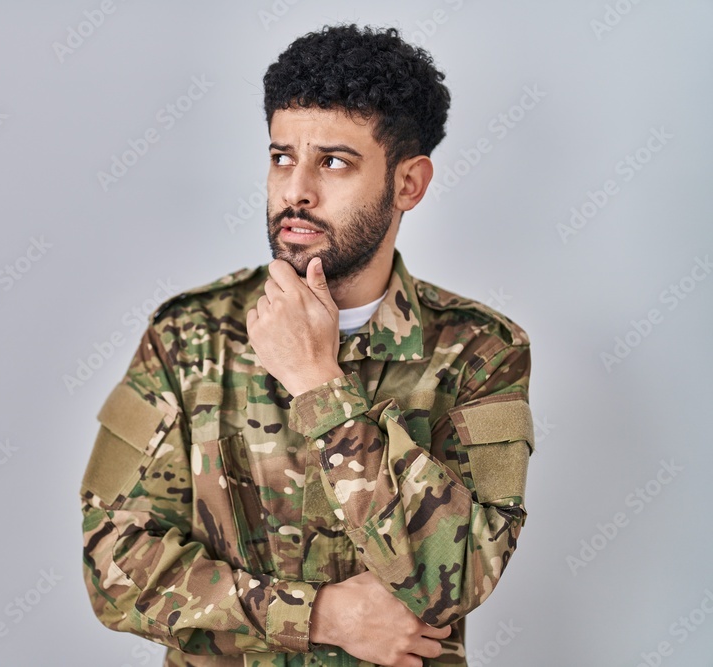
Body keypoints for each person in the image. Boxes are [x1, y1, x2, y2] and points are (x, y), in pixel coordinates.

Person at [80, 24, 534, 667]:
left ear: (409, 183)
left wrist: (319, 384)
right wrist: (318, 615)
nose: (296, 189)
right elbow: (112, 565)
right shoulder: (190, 335)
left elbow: (455, 578)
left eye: (334, 162)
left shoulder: (478, 350)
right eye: (282, 156)